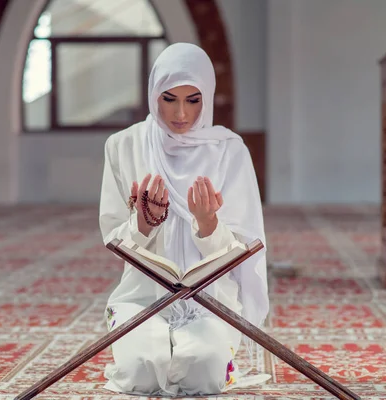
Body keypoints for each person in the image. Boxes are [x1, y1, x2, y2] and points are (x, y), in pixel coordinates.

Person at [98, 42, 268, 396]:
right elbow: (114, 237)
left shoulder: (229, 150)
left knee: (202, 371)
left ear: (207, 97)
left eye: (193, 100)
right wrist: (143, 223)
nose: (180, 114)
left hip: (211, 298)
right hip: (142, 295)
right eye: (169, 98)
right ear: (152, 95)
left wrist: (209, 224)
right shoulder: (123, 145)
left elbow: (245, 244)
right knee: (141, 370)